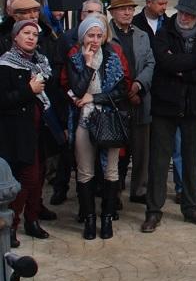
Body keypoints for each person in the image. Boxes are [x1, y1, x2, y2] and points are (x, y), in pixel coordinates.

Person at [144, 0, 196, 233]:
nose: (185, 17)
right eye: (182, 12)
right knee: (159, 161)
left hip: (194, 108)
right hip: (165, 106)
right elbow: (164, 63)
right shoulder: (163, 32)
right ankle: (153, 211)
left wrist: (183, 69)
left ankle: (191, 207)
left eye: (191, 14)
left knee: (191, 159)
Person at [65, 13, 132, 239]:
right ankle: (89, 219)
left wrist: (95, 98)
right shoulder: (74, 59)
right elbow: (77, 87)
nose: (94, 40)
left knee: (111, 170)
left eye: (98, 35)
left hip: (108, 118)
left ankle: (107, 218)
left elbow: (121, 90)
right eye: (90, 35)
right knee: (85, 171)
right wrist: (89, 65)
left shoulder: (113, 57)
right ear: (83, 37)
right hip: (84, 119)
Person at [0, 19, 58, 245]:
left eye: (35, 34)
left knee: (36, 179)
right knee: (24, 178)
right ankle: (11, 226)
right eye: (26, 33)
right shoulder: (5, 64)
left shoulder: (42, 63)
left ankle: (32, 220)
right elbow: (3, 100)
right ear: (15, 37)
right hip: (16, 133)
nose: (31, 37)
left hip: (41, 129)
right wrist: (28, 90)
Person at [107, 0, 155, 206]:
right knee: (116, 150)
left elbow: (151, 64)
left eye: (130, 8)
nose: (127, 12)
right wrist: (127, 89)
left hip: (141, 98)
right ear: (112, 12)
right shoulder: (106, 35)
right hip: (116, 101)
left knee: (142, 149)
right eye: (122, 9)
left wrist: (138, 85)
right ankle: (114, 190)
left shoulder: (142, 35)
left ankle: (139, 189)